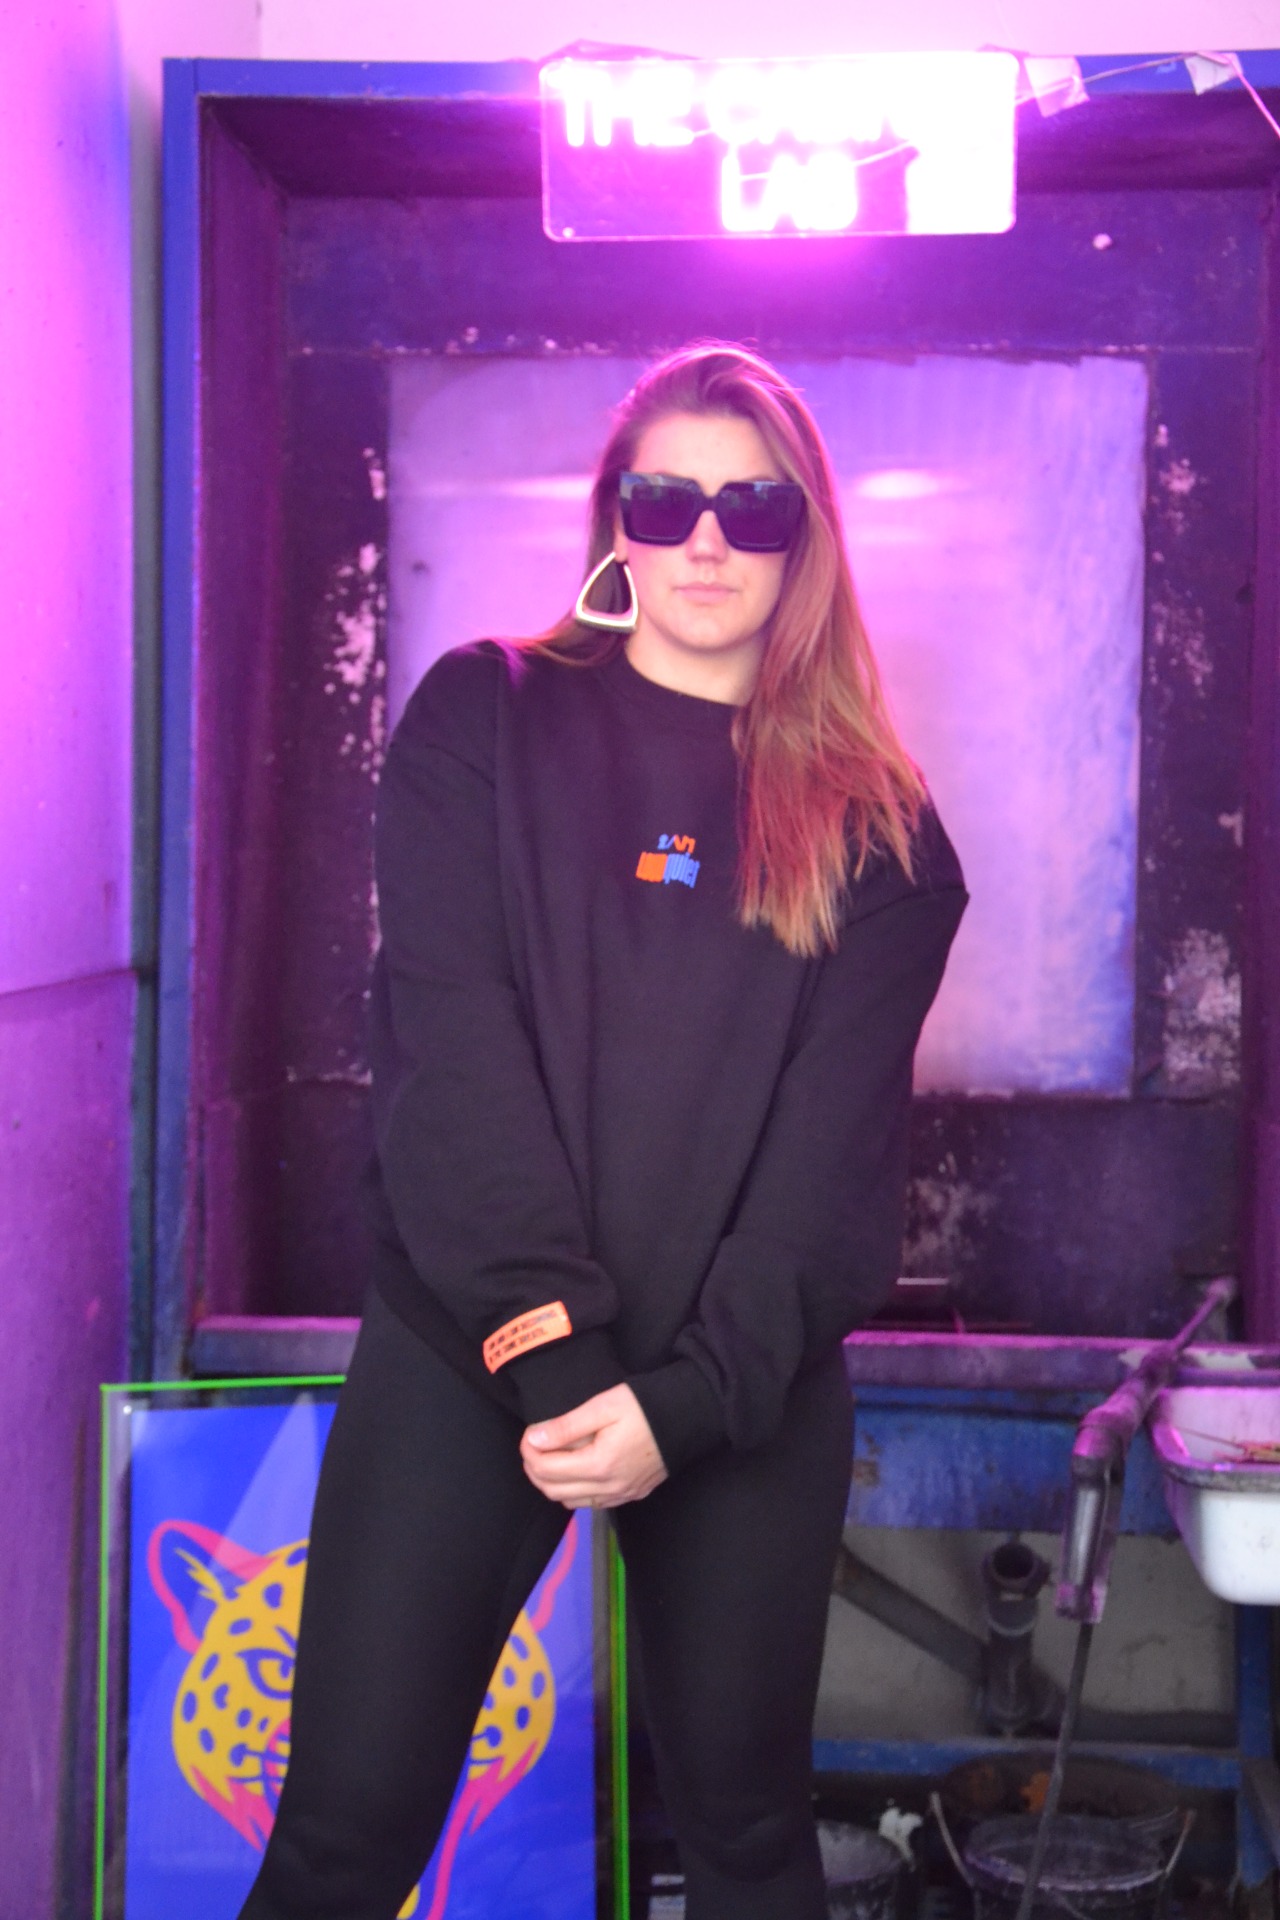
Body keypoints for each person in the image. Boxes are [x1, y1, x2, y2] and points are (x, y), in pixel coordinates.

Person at [239, 342, 967, 1920]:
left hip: (730, 1389)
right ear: (614, 519)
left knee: (751, 1841)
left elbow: (829, 1178)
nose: (707, 539)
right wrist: (559, 1363)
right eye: (665, 498)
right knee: (343, 1837)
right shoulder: (483, 716)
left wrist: (682, 1407)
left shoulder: (883, 832)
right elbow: (449, 1053)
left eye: (753, 507)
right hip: (474, 1350)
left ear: (807, 536)